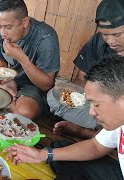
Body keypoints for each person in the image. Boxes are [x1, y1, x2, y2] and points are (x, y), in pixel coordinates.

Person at [4, 57, 124, 179]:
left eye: (96, 105)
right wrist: (42, 155)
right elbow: (96, 146)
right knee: (58, 149)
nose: (91, 112)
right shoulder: (118, 123)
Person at [47, 0, 124, 139]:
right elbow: (81, 79)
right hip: (98, 106)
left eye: (117, 35)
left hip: (120, 112)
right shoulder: (97, 42)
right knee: (53, 96)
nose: (110, 41)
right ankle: (103, 135)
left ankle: (87, 133)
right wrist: (76, 98)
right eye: (105, 34)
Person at [0, 0, 60, 119]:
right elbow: (1, 60)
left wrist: (22, 58)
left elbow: (46, 85)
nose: (3, 32)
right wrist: (2, 78)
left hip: (32, 86)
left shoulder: (46, 37)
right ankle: (7, 99)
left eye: (8, 27)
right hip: (10, 78)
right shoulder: (4, 30)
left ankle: (5, 101)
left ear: (24, 22)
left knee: (24, 111)